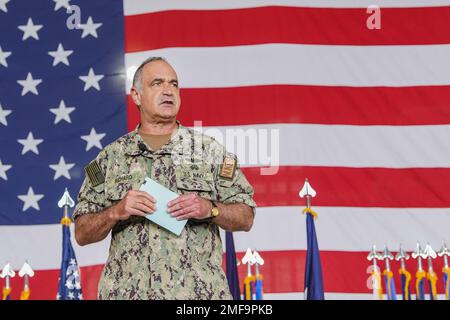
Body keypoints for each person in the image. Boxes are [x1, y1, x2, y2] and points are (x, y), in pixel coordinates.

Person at [73, 57, 256, 300]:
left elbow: (246, 216)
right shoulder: (109, 158)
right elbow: (82, 233)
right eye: (157, 83)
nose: (168, 90)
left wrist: (210, 209)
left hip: (197, 297)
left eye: (174, 84)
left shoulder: (210, 151)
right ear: (136, 96)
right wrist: (115, 211)